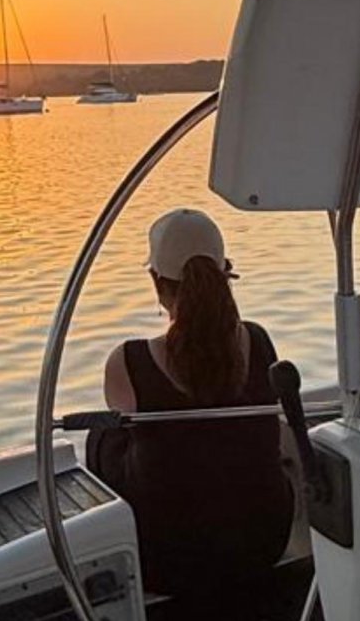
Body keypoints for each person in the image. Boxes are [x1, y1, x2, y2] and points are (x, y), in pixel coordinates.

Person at [87, 207, 294, 600]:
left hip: (168, 564)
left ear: (156, 282)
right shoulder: (259, 340)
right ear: (226, 273)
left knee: (103, 434)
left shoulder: (129, 361)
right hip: (264, 542)